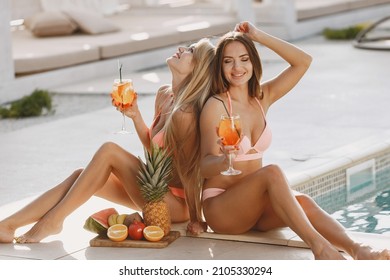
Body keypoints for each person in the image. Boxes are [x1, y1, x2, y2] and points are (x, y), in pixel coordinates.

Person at [199, 21, 390, 260]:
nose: (237, 67)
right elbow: (204, 165)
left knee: (304, 202)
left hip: (254, 207)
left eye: (244, 58)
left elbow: (303, 61)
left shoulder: (262, 98)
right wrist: (223, 159)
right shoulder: (215, 106)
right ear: (220, 67)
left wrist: (258, 35)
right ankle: (320, 248)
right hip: (223, 208)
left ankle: (359, 249)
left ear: (253, 62)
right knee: (273, 172)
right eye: (228, 61)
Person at [0, 38, 214, 243]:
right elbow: (154, 151)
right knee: (81, 176)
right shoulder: (164, 95)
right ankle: (9, 225)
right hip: (154, 189)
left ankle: (54, 221)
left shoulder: (185, 113)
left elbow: (189, 171)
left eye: (191, 51)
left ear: (198, 70)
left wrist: (197, 219)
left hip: (175, 205)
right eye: (188, 47)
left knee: (109, 151)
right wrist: (135, 115)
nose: (182, 49)